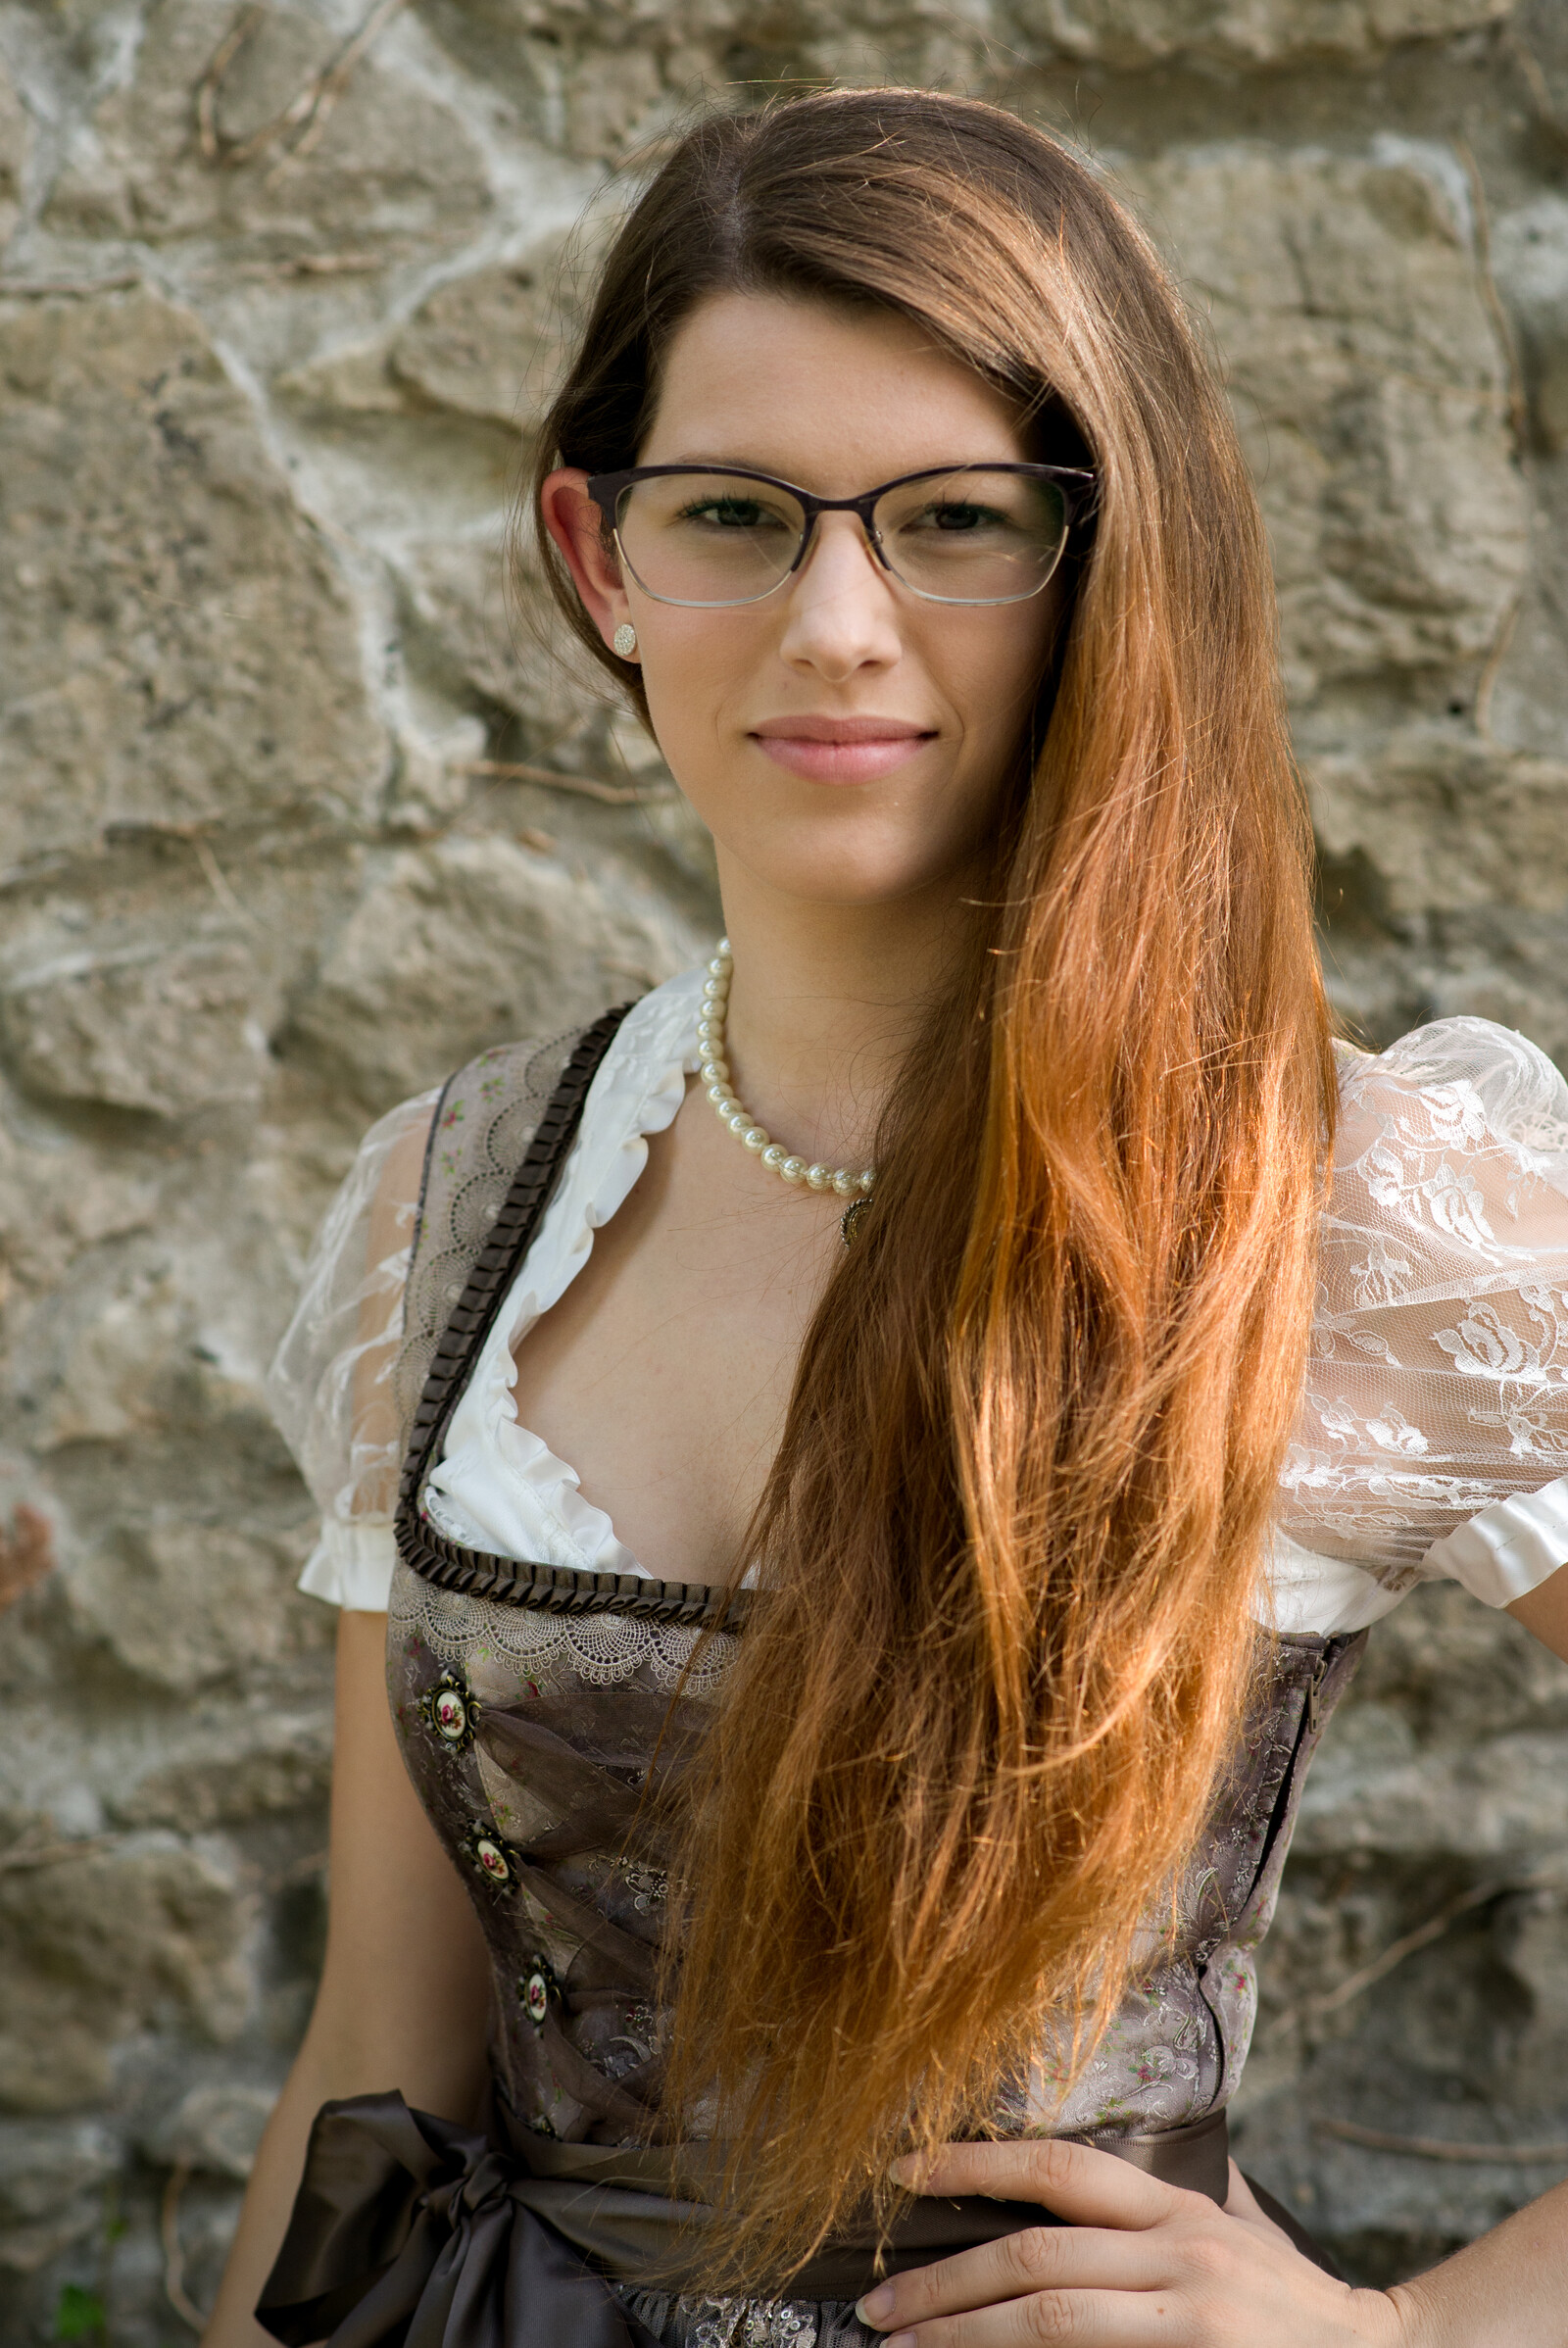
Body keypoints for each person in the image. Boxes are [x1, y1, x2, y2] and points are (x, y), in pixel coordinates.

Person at [204, 88, 1568, 2348]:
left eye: (951, 522)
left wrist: (1396, 2335)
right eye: (733, 515)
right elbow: (378, 2051)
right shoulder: (444, 1204)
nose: (836, 624)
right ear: (598, 559)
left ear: (1101, 559)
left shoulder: (1351, 1208)